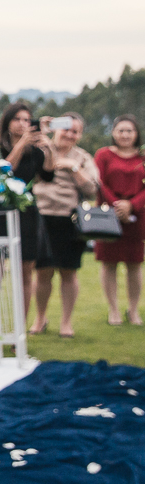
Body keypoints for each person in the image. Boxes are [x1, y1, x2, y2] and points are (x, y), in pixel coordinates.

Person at [32, 112, 99, 337]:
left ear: (79, 135)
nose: (69, 134)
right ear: (56, 128)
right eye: (66, 128)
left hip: (69, 219)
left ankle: (66, 322)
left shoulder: (82, 157)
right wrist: (40, 130)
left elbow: (92, 189)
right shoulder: (41, 149)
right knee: (42, 272)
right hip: (41, 215)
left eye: (75, 131)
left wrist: (73, 167)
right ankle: (40, 318)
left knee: (69, 272)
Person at [0, 102, 55, 319]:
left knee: (26, 272)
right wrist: (21, 144)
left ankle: (21, 330)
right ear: (7, 122)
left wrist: (49, 147)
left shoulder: (35, 151)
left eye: (27, 120)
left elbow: (48, 175)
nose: (23, 124)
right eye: (18, 119)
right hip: (1, 212)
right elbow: (4, 169)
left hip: (28, 213)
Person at [94, 114, 145, 326]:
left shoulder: (142, 157)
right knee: (109, 263)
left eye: (129, 131)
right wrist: (117, 205)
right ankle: (113, 309)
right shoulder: (104, 155)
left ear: (136, 134)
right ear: (114, 133)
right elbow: (98, 181)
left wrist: (131, 205)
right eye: (121, 130)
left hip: (137, 215)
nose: (125, 135)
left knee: (134, 264)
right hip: (108, 215)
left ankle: (133, 310)